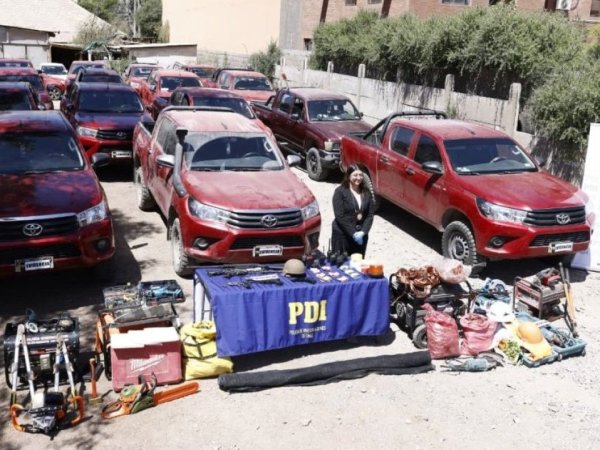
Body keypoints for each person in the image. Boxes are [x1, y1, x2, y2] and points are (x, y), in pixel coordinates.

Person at [331, 165, 375, 258]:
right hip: (343, 234)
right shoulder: (340, 192)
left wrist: (364, 231)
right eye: (355, 175)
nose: (358, 178)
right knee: (341, 262)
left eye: (360, 175)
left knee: (357, 262)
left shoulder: (366, 192)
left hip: (361, 235)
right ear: (348, 176)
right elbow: (339, 216)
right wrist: (353, 233)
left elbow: (370, 214)